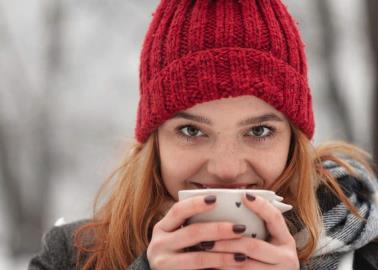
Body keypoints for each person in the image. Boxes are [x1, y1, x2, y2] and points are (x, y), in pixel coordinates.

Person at [28, 0, 378, 269]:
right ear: (155, 143)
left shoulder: (365, 253)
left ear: (293, 142)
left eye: (259, 130)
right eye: (191, 130)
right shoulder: (72, 257)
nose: (226, 170)